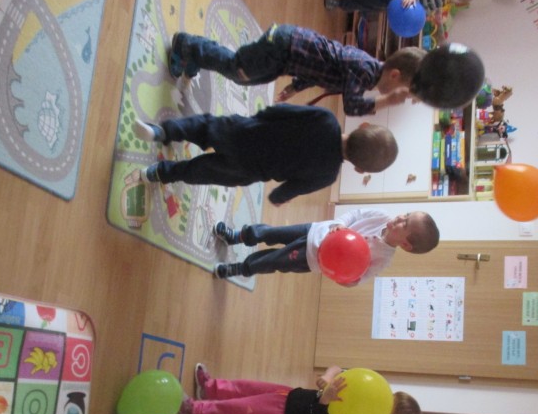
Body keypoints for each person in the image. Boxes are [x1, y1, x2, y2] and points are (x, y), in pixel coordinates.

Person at [134, 106, 397, 205]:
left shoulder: (327, 119)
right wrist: (277, 198)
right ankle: (160, 173)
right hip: (249, 168)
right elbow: (289, 189)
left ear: (362, 125)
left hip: (246, 133)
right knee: (202, 172)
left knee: (203, 127)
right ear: (360, 169)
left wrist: (259, 118)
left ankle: (163, 131)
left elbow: (283, 111)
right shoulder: (327, 175)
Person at [167, 24, 425, 117]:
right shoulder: (365, 72)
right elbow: (351, 106)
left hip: (288, 57)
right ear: (394, 75)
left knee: (244, 77)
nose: (399, 95)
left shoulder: (367, 76)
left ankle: (197, 56)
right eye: (401, 89)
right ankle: (186, 45)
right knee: (238, 69)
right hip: (283, 47)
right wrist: (389, 101)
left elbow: (323, 69)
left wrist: (296, 86)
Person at [181, 363, 422, 414]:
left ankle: (196, 411)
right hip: (290, 396)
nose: (381, 405)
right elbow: (340, 370)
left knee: (240, 411)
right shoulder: (368, 391)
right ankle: (209, 388)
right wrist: (327, 377)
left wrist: (325, 400)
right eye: (389, 400)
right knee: (246, 387)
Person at [211, 208, 439, 281]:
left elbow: (359, 278)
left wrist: (345, 278)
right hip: (315, 230)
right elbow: (355, 214)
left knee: (273, 261)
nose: (400, 218)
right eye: (405, 214)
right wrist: (340, 224)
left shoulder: (383, 259)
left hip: (312, 258)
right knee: (271, 233)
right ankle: (237, 236)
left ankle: (241, 268)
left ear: (406, 245)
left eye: (405, 223)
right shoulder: (381, 216)